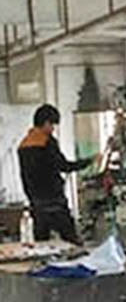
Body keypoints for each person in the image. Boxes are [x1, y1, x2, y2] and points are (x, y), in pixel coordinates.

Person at [18, 104, 94, 245]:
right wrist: (88, 161)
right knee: (72, 242)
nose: (53, 129)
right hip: (54, 201)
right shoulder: (47, 142)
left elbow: (24, 175)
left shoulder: (23, 144)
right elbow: (63, 166)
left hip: (36, 202)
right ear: (46, 123)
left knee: (41, 244)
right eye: (52, 125)